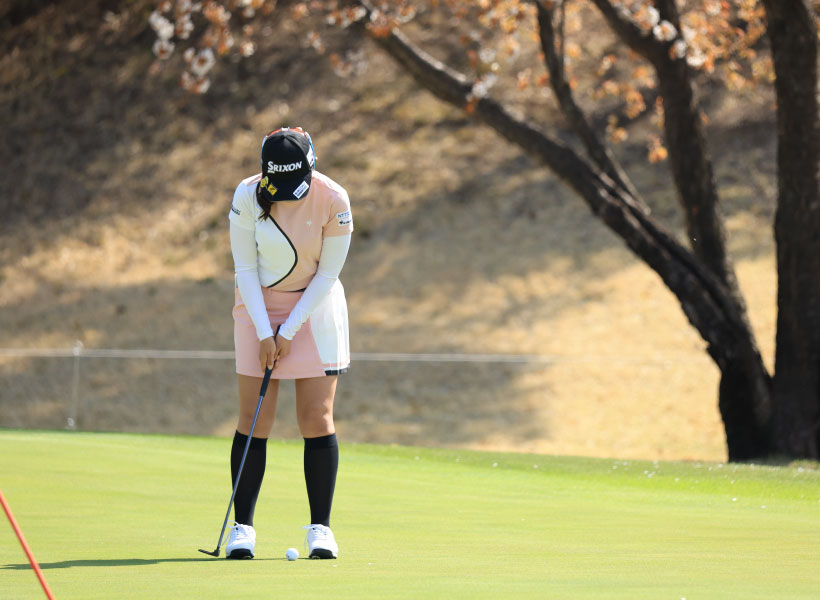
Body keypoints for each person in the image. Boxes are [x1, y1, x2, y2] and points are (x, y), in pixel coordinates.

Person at [225, 126, 353, 559]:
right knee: (254, 418)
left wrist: (287, 331)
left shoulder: (334, 199)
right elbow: (245, 269)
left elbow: (327, 274)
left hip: (315, 308)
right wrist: (265, 332)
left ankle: (321, 529)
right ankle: (242, 528)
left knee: (315, 417)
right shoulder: (247, 195)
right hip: (256, 306)